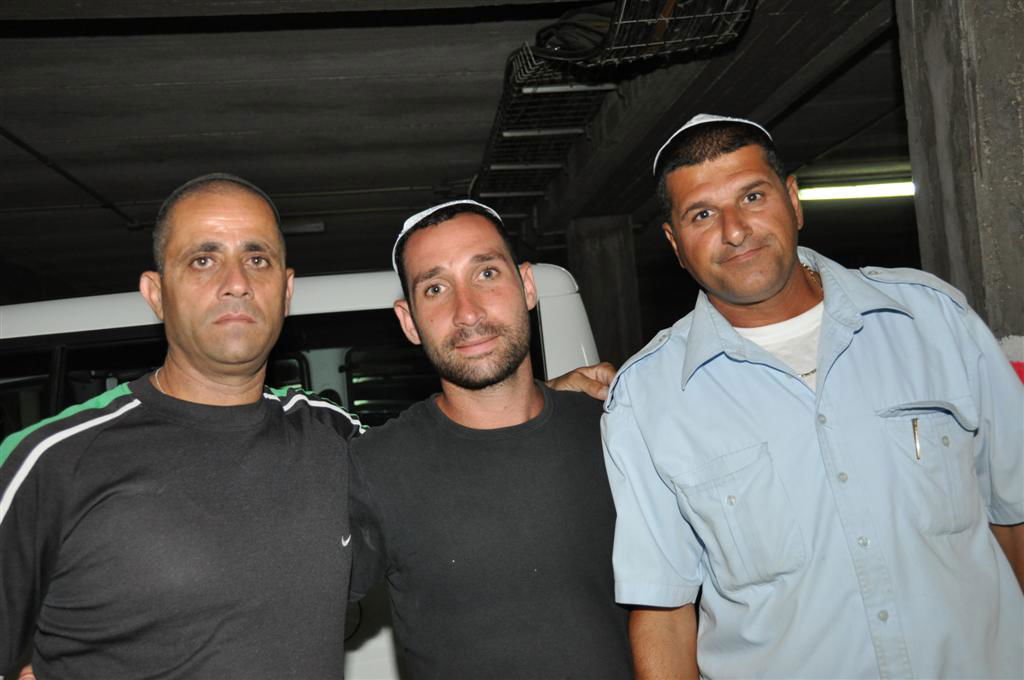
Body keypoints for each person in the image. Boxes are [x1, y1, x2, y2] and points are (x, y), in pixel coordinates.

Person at [0, 176, 611, 680]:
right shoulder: (50, 460)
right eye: (203, 259)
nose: (235, 282)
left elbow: (460, 443)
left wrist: (550, 395)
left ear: (286, 289)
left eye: (257, 259)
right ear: (156, 293)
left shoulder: (330, 435)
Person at [602, 114, 1024, 679]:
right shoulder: (646, 397)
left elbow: (1014, 513)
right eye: (702, 214)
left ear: (793, 201)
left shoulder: (933, 319)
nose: (735, 230)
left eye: (752, 196)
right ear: (675, 244)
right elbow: (663, 609)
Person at [348, 200, 633, 679]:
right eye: (435, 288)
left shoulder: (615, 433)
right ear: (409, 321)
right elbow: (268, 610)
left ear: (527, 286)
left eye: (485, 274)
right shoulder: (375, 468)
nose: (467, 312)